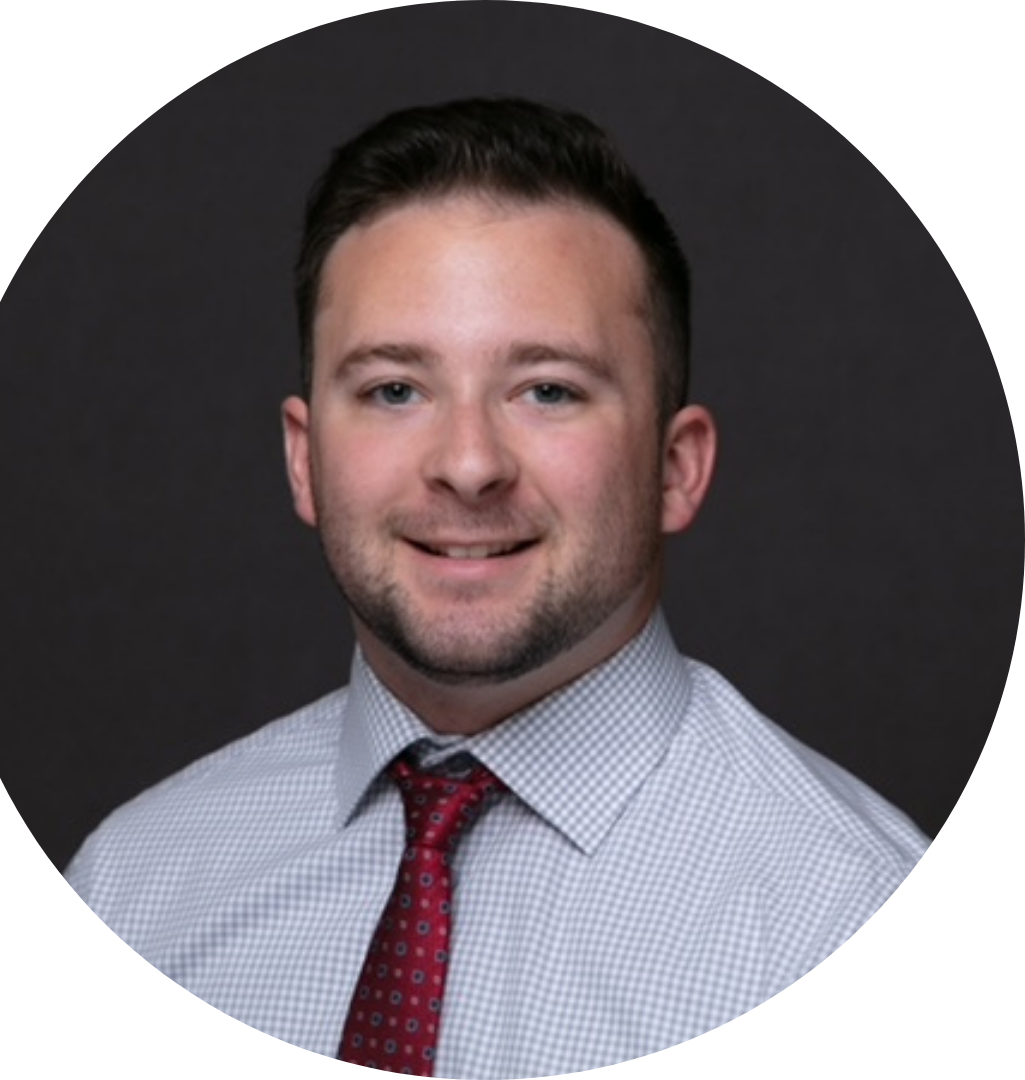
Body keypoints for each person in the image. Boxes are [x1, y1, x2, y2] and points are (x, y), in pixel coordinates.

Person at [62, 97, 931, 1080]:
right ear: (305, 462)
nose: (469, 466)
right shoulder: (132, 888)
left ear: (675, 468)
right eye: (395, 389)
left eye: (548, 389)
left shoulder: (874, 928)